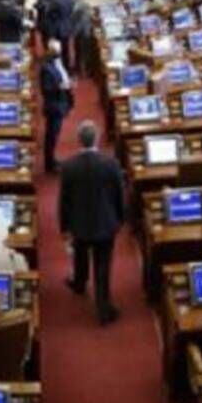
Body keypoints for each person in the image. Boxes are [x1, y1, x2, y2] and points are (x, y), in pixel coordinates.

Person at [57, 122, 126, 325]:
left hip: (79, 223)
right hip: (105, 222)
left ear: (79, 140)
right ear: (96, 139)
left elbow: (64, 200)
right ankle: (103, 308)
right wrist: (120, 219)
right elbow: (119, 194)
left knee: (80, 255)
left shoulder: (69, 166)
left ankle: (79, 283)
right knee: (102, 266)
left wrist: (64, 226)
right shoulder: (111, 164)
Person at [40, 39, 73, 172]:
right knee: (51, 136)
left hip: (60, 104)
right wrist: (60, 86)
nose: (59, 52)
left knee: (55, 134)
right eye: (57, 50)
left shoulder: (56, 63)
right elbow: (46, 89)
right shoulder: (46, 68)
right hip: (53, 106)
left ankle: (52, 159)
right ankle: (49, 164)